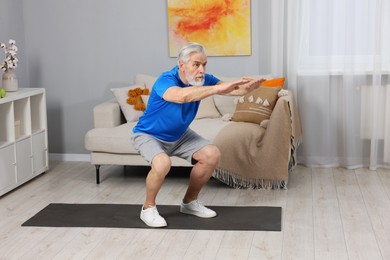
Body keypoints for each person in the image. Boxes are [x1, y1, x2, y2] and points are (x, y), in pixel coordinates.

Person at [132, 42, 264, 227]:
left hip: (179, 135)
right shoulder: (166, 80)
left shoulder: (204, 79)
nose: (202, 70)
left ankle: (189, 203)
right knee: (162, 164)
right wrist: (217, 89)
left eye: (204, 64)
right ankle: (148, 209)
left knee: (212, 155)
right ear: (181, 65)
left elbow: (230, 89)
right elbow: (181, 96)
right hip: (149, 134)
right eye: (196, 64)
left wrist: (249, 88)